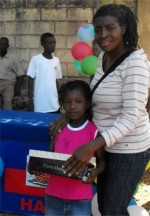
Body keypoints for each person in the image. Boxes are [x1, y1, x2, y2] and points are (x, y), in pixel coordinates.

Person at [50, 4, 150, 216]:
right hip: (104, 146)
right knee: (105, 206)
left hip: (128, 150)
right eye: (98, 29)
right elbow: (92, 99)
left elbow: (131, 116)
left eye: (109, 28)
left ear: (123, 28)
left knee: (113, 210)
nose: (103, 35)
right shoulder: (103, 58)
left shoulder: (136, 63)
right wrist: (67, 116)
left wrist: (91, 145)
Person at [45, 80, 105, 216]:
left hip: (80, 198)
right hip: (53, 195)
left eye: (78, 101)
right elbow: (50, 155)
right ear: (62, 104)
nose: (72, 106)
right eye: (68, 101)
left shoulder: (94, 131)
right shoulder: (58, 127)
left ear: (87, 104)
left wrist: (94, 173)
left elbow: (102, 162)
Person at [27, 32, 62, 113]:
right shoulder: (35, 59)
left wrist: (59, 98)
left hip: (53, 102)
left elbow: (56, 81)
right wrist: (30, 101)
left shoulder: (56, 61)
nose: (53, 45)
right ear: (43, 44)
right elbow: (30, 81)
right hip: (40, 102)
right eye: (50, 43)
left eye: (54, 42)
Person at [0, 37, 25, 110]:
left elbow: (21, 74)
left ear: (7, 46)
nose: (1, 46)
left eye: (4, 44)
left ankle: (7, 119)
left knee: (8, 102)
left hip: (8, 84)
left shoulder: (13, 58)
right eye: (0, 44)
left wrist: (17, 88)